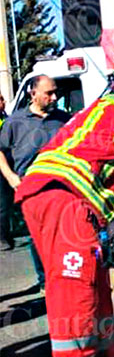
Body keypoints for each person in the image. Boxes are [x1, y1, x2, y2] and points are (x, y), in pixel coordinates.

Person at [15, 43, 114, 357]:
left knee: (93, 276)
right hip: (62, 199)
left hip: (55, 196)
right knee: (74, 283)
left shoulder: (109, 103)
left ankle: (107, 352)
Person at [0, 76, 69, 288]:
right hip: (30, 188)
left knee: (64, 233)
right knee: (37, 235)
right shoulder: (15, 121)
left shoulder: (63, 119)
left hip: (61, 185)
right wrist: (12, 178)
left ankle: (64, 277)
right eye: (49, 93)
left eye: (55, 92)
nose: (54, 97)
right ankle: (45, 281)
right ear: (33, 94)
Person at [0, 92, 14, 250]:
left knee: (9, 202)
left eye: (2, 99)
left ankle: (7, 233)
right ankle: (2, 237)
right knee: (2, 203)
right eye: (0, 100)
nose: (3, 102)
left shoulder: (6, 117)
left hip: (10, 162)